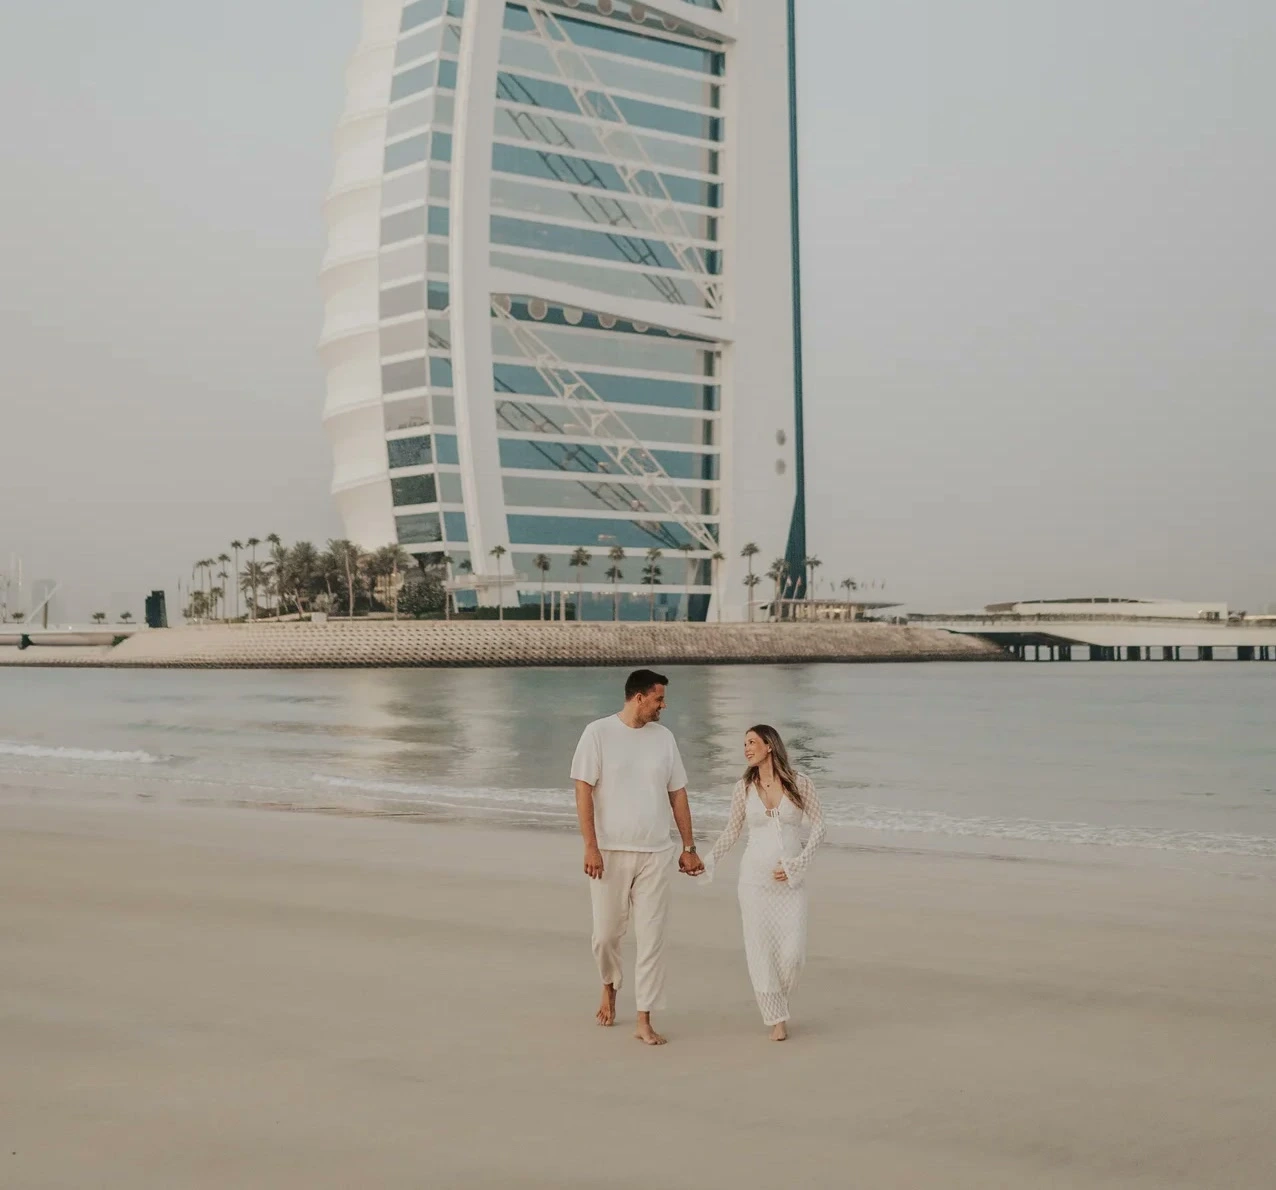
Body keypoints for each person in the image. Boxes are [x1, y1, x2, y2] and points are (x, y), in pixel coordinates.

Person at [571, 669, 704, 1046]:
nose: (664, 706)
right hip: (609, 853)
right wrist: (590, 845)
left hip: (656, 853)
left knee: (652, 938)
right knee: (605, 935)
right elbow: (582, 790)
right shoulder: (597, 733)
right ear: (639, 697)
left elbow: (678, 793)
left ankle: (644, 1018)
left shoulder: (664, 739)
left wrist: (689, 847)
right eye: (659, 699)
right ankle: (610, 984)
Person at [702, 725, 825, 1040]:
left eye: (751, 742)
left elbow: (820, 827)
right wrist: (708, 860)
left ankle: (779, 1001)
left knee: (792, 955)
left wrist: (797, 864)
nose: (746, 748)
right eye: (744, 743)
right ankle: (777, 1017)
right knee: (760, 951)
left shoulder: (800, 782)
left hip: (790, 885)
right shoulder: (743, 787)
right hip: (754, 882)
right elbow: (732, 830)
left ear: (769, 745)